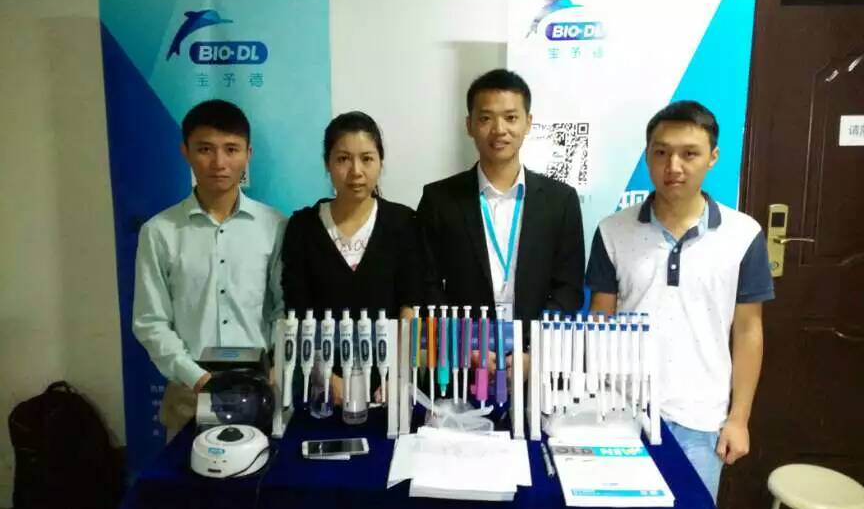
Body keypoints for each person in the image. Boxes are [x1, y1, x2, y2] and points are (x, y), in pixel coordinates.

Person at [586, 100, 774, 501]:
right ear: (648, 155)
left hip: (700, 419)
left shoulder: (743, 235)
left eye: (689, 154)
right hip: (621, 412)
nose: (673, 166)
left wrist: (739, 418)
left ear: (713, 157)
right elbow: (599, 318)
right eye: (661, 152)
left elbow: (748, 330)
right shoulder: (612, 231)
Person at [133, 99, 285, 440]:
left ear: (248, 154)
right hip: (189, 394)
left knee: (264, 474)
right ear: (185, 152)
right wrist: (197, 378)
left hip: (259, 389)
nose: (219, 163)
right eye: (205, 149)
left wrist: (276, 367)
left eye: (231, 149)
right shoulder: (159, 232)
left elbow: (282, 309)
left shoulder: (275, 226)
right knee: (186, 476)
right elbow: (150, 321)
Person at [416, 68, 584, 376]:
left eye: (510, 117)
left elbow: (568, 288)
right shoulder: (439, 199)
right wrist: (462, 346)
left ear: (528, 123)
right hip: (464, 364)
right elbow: (427, 285)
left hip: (534, 365)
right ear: (469, 125)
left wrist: (535, 352)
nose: (499, 130)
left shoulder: (560, 201)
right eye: (486, 118)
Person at [281, 111, 422, 403]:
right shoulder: (302, 227)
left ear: (380, 162)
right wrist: (325, 376)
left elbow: (411, 302)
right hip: (321, 385)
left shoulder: (403, 222)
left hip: (389, 386)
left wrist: (398, 373)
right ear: (327, 163)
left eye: (367, 158)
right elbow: (297, 309)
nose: (356, 171)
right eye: (343, 159)